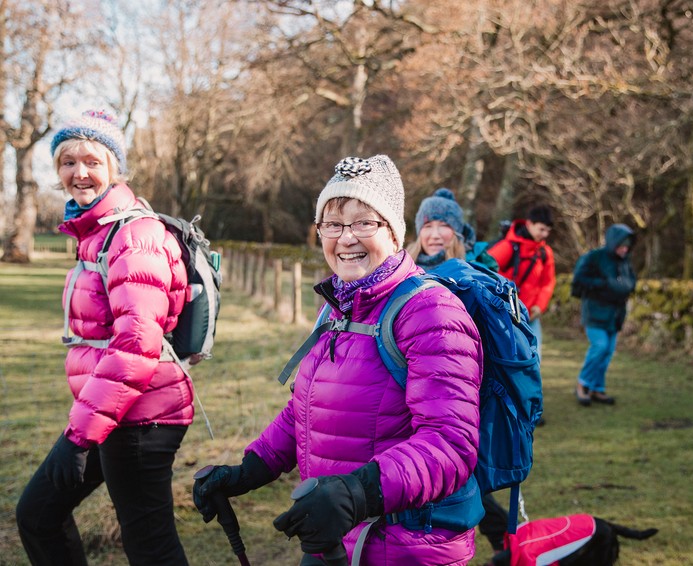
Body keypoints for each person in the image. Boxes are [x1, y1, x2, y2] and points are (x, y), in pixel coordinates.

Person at [193, 155, 484, 565]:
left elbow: (451, 444)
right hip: (336, 534)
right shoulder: (339, 307)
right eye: (333, 223)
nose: (346, 238)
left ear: (395, 232)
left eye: (365, 222)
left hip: (405, 545)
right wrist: (249, 470)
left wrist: (357, 492)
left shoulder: (432, 313)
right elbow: (308, 409)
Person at [16, 110, 193, 564]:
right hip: (109, 410)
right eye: (67, 162)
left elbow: (137, 343)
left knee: (149, 544)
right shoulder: (94, 232)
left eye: (92, 160)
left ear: (114, 167)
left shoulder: (134, 234)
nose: (79, 172)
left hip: (141, 416)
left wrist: (79, 436)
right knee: (39, 514)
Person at [408, 187, 509, 553]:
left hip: (463, 391)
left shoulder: (474, 276)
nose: (435, 233)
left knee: (463, 474)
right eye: (428, 225)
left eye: (444, 225)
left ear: (459, 233)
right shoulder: (405, 270)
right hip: (412, 389)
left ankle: (498, 541)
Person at [571, 224, 637, 406]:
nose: (625, 249)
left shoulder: (624, 261)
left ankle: (597, 388)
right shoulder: (594, 257)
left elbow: (631, 281)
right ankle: (582, 384)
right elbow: (579, 281)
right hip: (595, 312)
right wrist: (604, 284)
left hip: (615, 314)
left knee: (607, 352)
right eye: (622, 245)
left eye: (627, 246)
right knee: (599, 346)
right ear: (614, 242)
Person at [488, 205, 556, 356]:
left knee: (534, 356)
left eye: (548, 231)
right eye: (541, 229)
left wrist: (539, 306)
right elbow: (484, 269)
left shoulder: (545, 253)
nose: (545, 234)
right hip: (505, 314)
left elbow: (547, 282)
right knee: (505, 356)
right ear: (529, 223)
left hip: (530, 315)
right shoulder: (508, 247)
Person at [406, 187, 498, 271]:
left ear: (457, 232)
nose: (435, 235)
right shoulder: (401, 270)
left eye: (444, 226)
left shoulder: (475, 274)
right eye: (428, 226)